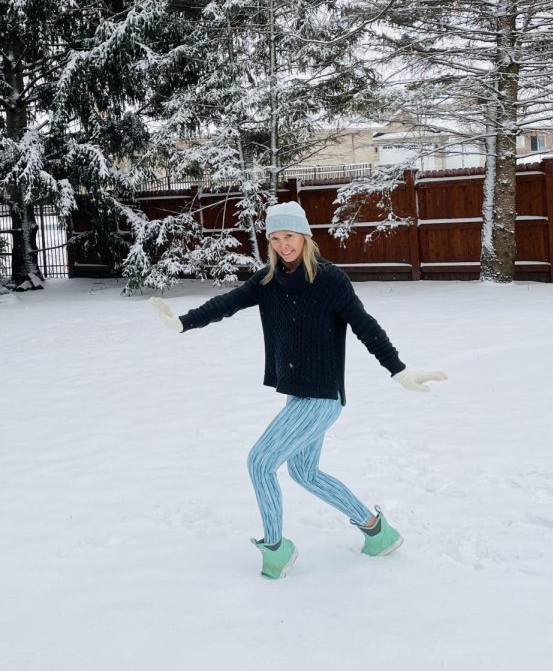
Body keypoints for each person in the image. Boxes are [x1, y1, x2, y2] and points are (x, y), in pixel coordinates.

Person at [149, 200, 446, 580]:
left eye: (288, 236)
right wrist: (182, 322)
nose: (282, 245)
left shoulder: (329, 280)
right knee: (305, 473)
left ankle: (276, 548)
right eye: (275, 238)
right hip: (297, 392)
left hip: (322, 397)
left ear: (305, 236)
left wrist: (400, 371)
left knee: (260, 462)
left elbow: (364, 326)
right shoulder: (269, 280)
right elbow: (228, 303)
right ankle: (377, 531)